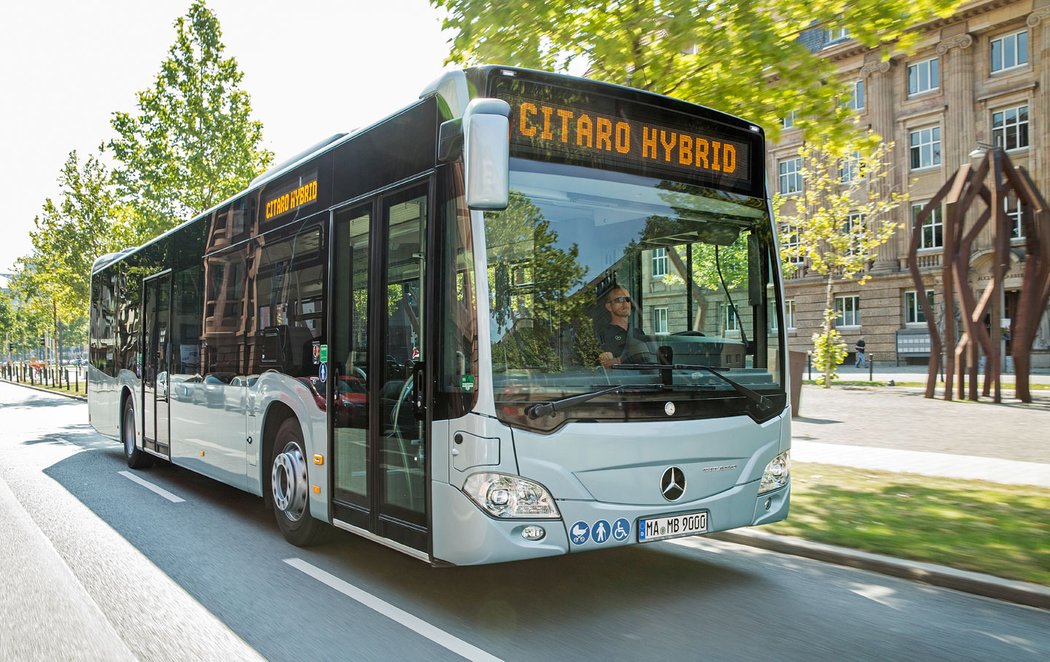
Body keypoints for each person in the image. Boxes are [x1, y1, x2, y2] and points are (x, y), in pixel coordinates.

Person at [598, 286, 652, 369]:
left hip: (643, 379)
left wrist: (619, 360)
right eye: (620, 300)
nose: (625, 303)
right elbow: (604, 364)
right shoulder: (602, 335)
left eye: (628, 300)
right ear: (609, 306)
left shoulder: (638, 333)